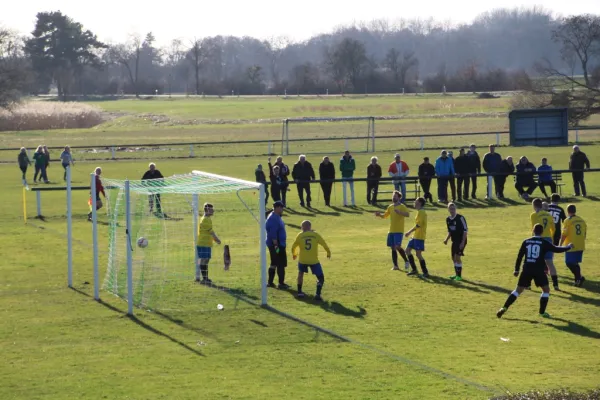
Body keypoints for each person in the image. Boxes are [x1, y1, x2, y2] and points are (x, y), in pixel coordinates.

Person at [496, 224, 572, 319]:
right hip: (538, 270)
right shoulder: (544, 242)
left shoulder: (526, 241)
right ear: (542, 232)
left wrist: (516, 269)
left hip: (527, 269)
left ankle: (504, 307)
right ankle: (542, 312)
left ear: (533, 230)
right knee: (546, 290)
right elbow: (556, 249)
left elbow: (519, 257)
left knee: (517, 291)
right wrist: (568, 247)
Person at [292, 220, 331, 301]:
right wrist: (328, 252)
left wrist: (294, 254)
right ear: (310, 227)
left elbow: (294, 246)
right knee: (321, 278)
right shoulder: (315, 235)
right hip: (313, 260)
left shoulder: (300, 235)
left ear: (302, 227)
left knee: (300, 273)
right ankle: (317, 294)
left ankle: (299, 292)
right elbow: (324, 243)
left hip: (303, 260)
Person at [375, 191, 410, 271]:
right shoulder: (390, 207)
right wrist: (379, 215)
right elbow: (385, 216)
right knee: (393, 248)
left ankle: (406, 261)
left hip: (399, 230)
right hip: (391, 231)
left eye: (395, 196)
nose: (393, 197)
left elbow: (408, 214)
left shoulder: (402, 206)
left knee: (398, 247)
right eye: (393, 196)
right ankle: (395, 266)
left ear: (399, 197)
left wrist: (400, 212)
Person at [530, 198, 560, 290]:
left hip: (539, 239)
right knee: (550, 262)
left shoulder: (534, 215)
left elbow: (534, 229)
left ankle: (528, 284)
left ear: (534, 206)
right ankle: (555, 285)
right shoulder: (549, 215)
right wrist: (549, 236)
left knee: (533, 262)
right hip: (548, 239)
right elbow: (553, 229)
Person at [560, 204, 587, 287]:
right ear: (575, 211)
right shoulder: (582, 220)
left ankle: (579, 278)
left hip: (571, 245)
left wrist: (560, 244)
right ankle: (578, 279)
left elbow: (564, 234)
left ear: (567, 211)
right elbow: (585, 233)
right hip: (580, 244)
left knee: (569, 263)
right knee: (575, 263)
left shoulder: (567, 220)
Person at [195, 203, 222, 285]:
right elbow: (211, 232)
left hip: (206, 243)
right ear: (207, 210)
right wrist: (217, 240)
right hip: (203, 243)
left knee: (206, 260)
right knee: (203, 260)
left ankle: (205, 278)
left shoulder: (207, 218)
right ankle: (204, 279)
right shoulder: (205, 219)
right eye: (211, 209)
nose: (213, 210)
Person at [265, 201, 289, 289]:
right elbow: (273, 233)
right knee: (280, 263)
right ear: (278, 207)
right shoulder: (273, 219)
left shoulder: (275, 216)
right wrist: (276, 246)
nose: (283, 209)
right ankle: (281, 283)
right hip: (276, 245)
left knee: (274, 262)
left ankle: (270, 282)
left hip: (276, 244)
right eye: (282, 207)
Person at [404, 197, 429, 277]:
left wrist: (409, 232)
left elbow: (418, 225)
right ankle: (414, 269)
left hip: (419, 236)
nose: (414, 202)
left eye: (416, 201)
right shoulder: (419, 212)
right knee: (407, 251)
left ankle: (425, 272)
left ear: (420, 203)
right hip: (415, 236)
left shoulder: (421, 212)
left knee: (418, 254)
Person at [444, 203, 468, 281]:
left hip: (461, 240)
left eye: (453, 209)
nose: (452, 210)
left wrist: (462, 242)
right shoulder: (448, 219)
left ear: (456, 209)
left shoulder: (460, 218)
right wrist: (446, 239)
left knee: (457, 257)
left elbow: (465, 230)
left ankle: (459, 276)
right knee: (453, 258)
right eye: (450, 209)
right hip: (454, 241)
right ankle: (456, 275)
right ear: (448, 209)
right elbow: (450, 231)